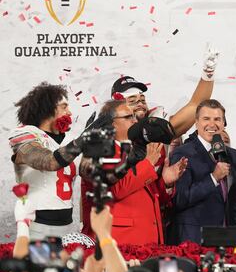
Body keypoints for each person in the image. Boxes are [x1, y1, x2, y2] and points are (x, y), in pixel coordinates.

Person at [9, 82, 110, 239]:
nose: (69, 112)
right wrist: (83, 140)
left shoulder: (71, 139)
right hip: (37, 225)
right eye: (64, 107)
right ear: (47, 109)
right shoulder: (25, 135)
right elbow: (48, 161)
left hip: (68, 225)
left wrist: (95, 147)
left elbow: (90, 174)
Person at [80, 100, 187, 245]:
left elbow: (146, 196)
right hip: (120, 241)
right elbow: (114, 190)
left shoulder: (136, 150)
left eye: (134, 117)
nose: (134, 120)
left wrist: (165, 183)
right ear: (111, 123)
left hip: (147, 240)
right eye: (128, 117)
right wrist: (148, 164)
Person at [167, 99, 236, 245]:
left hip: (226, 238)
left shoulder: (235, 156)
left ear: (223, 123)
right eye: (206, 119)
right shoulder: (183, 153)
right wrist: (213, 178)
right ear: (196, 122)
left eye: (217, 119)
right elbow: (179, 200)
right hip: (192, 239)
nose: (212, 124)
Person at [110, 47, 218, 137]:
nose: (140, 104)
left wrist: (208, 73)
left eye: (142, 100)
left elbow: (196, 105)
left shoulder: (156, 126)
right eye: (132, 100)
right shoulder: (103, 134)